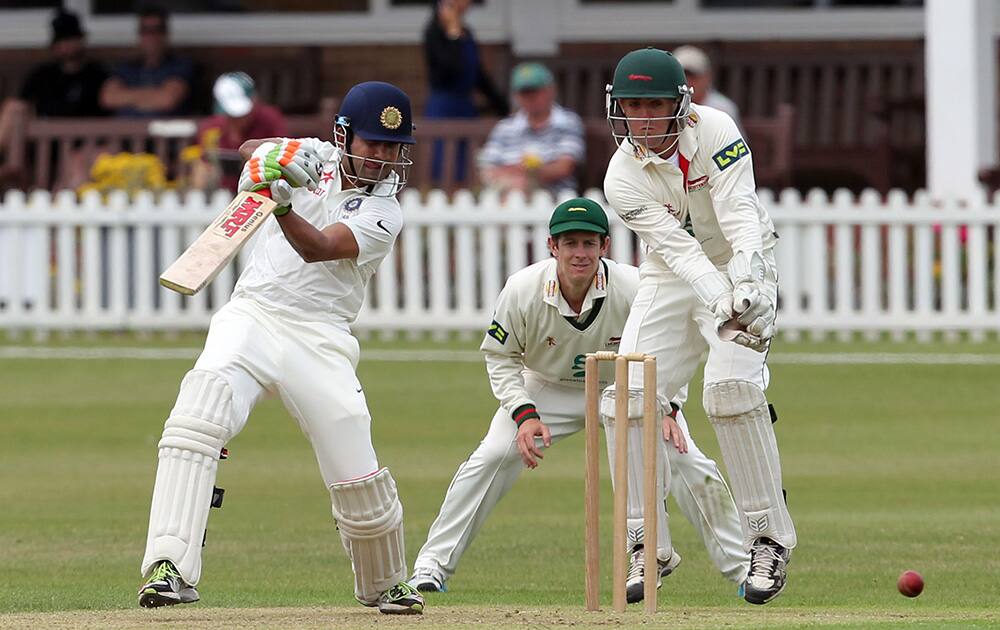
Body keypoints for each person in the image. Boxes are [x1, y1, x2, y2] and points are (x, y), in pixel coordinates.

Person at [136, 81, 424, 615]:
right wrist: (275, 157)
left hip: (321, 335)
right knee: (198, 414)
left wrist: (283, 204)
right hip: (253, 312)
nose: (383, 158)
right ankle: (167, 565)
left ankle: (385, 582)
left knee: (355, 462)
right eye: (372, 144)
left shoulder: (386, 214)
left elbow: (319, 248)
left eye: (393, 147)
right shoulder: (316, 156)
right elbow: (250, 152)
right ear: (343, 136)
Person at [408, 198, 749, 603]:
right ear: (552, 246)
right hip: (547, 386)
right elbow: (500, 357)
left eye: (589, 243)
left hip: (626, 387)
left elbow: (670, 346)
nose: (580, 254)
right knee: (491, 456)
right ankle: (431, 566)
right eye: (570, 243)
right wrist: (523, 414)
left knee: (684, 457)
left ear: (605, 246)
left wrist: (669, 407)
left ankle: (743, 566)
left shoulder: (634, 287)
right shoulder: (523, 290)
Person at [602, 47, 795, 605]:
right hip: (671, 274)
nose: (641, 119)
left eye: (653, 105)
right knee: (629, 395)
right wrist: (720, 301)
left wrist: (750, 286)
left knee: (730, 391)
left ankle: (768, 541)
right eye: (632, 106)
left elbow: (739, 215)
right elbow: (678, 252)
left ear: (680, 105)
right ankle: (646, 544)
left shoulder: (716, 130)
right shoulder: (622, 175)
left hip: (744, 261)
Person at [422, 0, 509, 183]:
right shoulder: (434, 33)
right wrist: (453, 33)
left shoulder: (467, 32)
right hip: (443, 108)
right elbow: (448, 69)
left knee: (468, 166)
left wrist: (503, 106)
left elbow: (478, 75)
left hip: (465, 107)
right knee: (444, 164)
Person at [478, 62, 584, 194]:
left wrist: (526, 174)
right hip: (506, 190)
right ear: (516, 96)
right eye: (524, 93)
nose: (530, 98)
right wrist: (518, 175)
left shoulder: (567, 122)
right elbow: (487, 170)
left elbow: (564, 167)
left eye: (535, 91)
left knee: (519, 186)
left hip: (551, 196)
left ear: (550, 90)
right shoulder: (504, 127)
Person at [191, 72, 288, 191]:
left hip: (263, 192)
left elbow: (284, 159)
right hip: (221, 195)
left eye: (242, 114)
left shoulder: (270, 120)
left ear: (254, 100)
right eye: (231, 115)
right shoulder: (211, 128)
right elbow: (203, 164)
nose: (237, 119)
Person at [100, 5, 194, 118]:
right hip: (127, 132)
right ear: (139, 35)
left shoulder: (180, 66)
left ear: (166, 34)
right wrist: (152, 96)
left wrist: (128, 97)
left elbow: (167, 100)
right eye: (145, 31)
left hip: (166, 133)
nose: (151, 37)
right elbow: (108, 98)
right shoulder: (127, 68)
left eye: (157, 30)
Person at [16, 9, 107, 118]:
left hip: (89, 132)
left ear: (81, 40)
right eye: (62, 40)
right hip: (45, 132)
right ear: (54, 45)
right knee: (14, 108)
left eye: (71, 38)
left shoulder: (97, 74)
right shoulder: (41, 75)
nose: (67, 45)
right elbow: (22, 104)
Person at [672, 45, 741, 129]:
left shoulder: (723, 109)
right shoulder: (666, 107)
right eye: (682, 76)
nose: (687, 82)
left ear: (707, 77)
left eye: (693, 76)